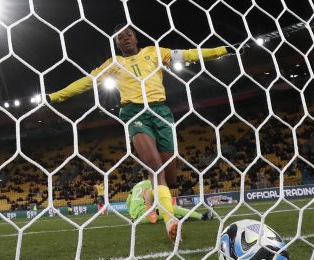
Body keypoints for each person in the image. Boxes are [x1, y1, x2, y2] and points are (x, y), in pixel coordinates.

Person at [47, 24, 231, 241]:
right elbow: (87, 82)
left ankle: (155, 202)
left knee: (170, 179)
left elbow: (189, 54)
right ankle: (170, 221)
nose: (124, 39)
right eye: (119, 37)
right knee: (155, 167)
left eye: (128, 35)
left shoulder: (154, 52)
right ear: (116, 43)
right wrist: (56, 96)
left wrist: (223, 50)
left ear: (136, 38)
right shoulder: (113, 64)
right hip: (134, 113)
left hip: (162, 112)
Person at [126, 179, 213, 226]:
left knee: (164, 212)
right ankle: (202, 217)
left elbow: (128, 202)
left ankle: (180, 218)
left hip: (137, 218)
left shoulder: (136, 186)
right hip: (145, 213)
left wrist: (133, 216)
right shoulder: (152, 183)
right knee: (171, 208)